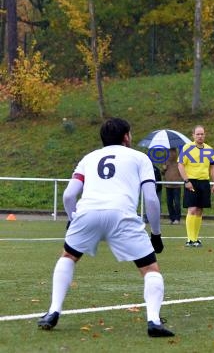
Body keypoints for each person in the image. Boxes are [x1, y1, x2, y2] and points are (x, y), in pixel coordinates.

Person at [37, 117, 174, 337]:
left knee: (68, 256)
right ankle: (154, 322)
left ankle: (53, 311)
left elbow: (69, 195)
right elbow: (151, 199)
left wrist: (73, 219)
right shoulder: (140, 158)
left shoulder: (88, 158)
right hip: (121, 214)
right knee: (150, 269)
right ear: (126, 137)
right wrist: (156, 234)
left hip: (87, 212)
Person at [178, 125, 214, 247]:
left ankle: (195, 238)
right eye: (198, 134)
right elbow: (180, 165)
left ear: (204, 135)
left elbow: (213, 167)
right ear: (193, 135)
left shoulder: (209, 149)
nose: (200, 136)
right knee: (192, 209)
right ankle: (190, 239)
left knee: (200, 210)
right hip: (191, 181)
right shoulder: (187, 148)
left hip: (204, 182)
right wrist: (186, 181)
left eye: (202, 134)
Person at [162, 148, 182, 225]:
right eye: (170, 153)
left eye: (173, 153)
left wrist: (180, 179)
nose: (171, 154)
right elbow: (163, 173)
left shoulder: (179, 162)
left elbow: (183, 172)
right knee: (169, 202)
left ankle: (177, 218)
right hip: (168, 185)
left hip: (176, 186)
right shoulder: (166, 162)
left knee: (177, 203)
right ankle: (171, 218)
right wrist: (164, 169)